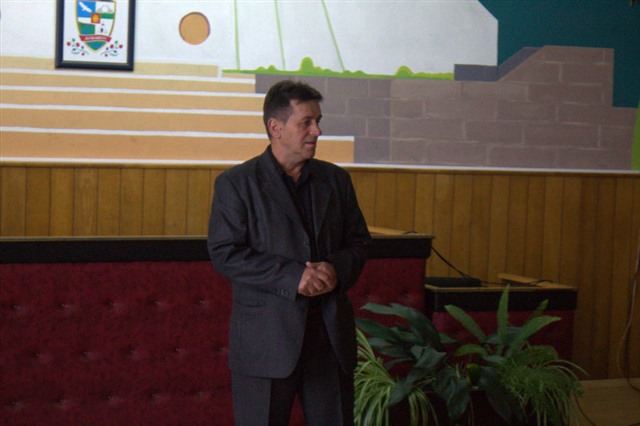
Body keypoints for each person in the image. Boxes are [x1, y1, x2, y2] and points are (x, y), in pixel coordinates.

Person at [207, 80, 371, 426]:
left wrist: (335, 269)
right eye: (306, 123)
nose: (317, 131)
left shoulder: (336, 181)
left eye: (318, 121)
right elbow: (225, 253)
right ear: (276, 127)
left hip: (329, 341)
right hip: (266, 343)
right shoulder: (236, 184)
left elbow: (359, 242)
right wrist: (293, 277)